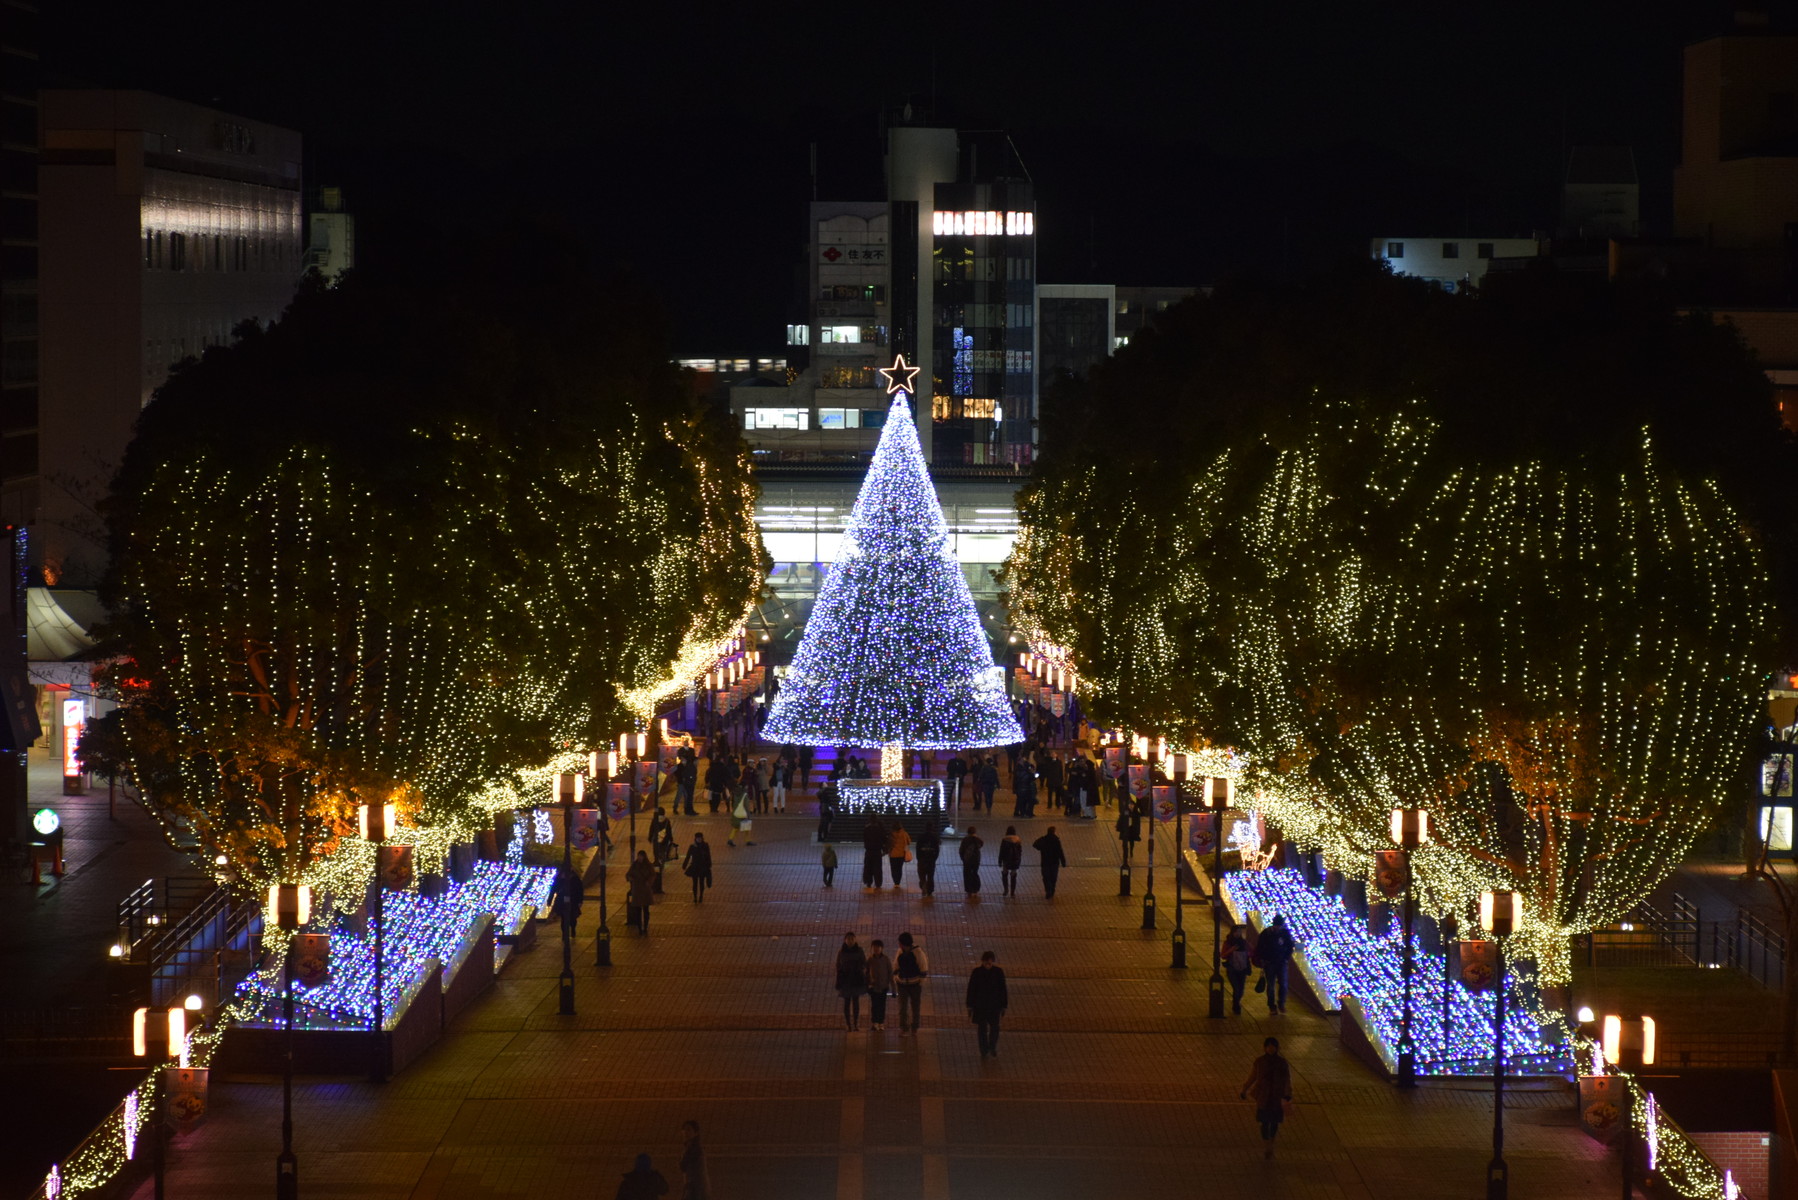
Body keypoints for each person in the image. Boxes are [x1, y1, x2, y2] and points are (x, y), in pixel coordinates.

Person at [1240, 1037, 1294, 1158]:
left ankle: (1271, 1144)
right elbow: (1252, 1077)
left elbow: (1287, 1080)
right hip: (1263, 1097)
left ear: (1277, 1048)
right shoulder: (1259, 1062)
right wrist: (1244, 1089)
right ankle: (1268, 1146)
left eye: (1273, 1046)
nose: (1270, 1048)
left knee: (1274, 1123)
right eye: (1268, 1046)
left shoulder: (1282, 1063)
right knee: (1264, 1123)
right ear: (1265, 1047)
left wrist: (1288, 1093)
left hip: (1277, 1096)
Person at [966, 950, 1008, 1059]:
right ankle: (984, 1050)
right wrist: (970, 1005)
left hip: (994, 1006)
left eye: (990, 963)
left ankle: (992, 1046)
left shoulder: (998, 972)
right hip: (981, 1006)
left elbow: (1003, 989)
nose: (988, 965)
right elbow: (971, 989)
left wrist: (1004, 1005)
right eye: (986, 963)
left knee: (995, 1028)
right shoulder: (977, 972)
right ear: (983, 961)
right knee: (982, 1029)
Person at [1254, 913, 1297, 1015]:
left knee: (1283, 984)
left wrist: (1286, 958)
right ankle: (1272, 1006)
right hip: (1269, 963)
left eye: (1280, 926)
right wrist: (1263, 959)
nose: (1278, 928)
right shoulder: (1266, 934)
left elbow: (1290, 946)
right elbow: (1259, 948)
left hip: (1281, 962)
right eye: (1277, 926)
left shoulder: (1285, 933)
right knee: (1271, 985)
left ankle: (1281, 1003)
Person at [894, 931, 927, 1035]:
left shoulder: (917, 952)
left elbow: (923, 967)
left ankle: (914, 1027)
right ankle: (904, 1027)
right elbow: (896, 965)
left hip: (915, 984)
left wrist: (920, 981)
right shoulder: (900, 951)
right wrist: (897, 978)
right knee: (902, 1008)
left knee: (915, 1007)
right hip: (902, 984)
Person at [835, 931, 868, 1031]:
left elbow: (864, 963)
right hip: (846, 979)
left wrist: (859, 968)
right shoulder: (841, 951)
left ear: (855, 940)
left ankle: (856, 1023)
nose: (850, 941)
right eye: (848, 939)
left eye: (852, 939)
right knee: (847, 1002)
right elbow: (838, 964)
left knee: (856, 1002)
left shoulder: (859, 950)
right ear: (845, 940)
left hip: (856, 979)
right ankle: (848, 1024)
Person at [1221, 923, 1254, 1014]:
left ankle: (1236, 1001)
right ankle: (1236, 1006)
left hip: (1242, 969)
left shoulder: (1244, 943)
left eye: (1240, 932)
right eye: (1236, 932)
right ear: (1232, 933)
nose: (1238, 934)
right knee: (1236, 988)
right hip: (1232, 969)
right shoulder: (1228, 943)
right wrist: (1231, 950)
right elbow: (1223, 955)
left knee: (1241, 989)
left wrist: (1247, 954)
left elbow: (1252, 952)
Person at [625, 850, 656, 936]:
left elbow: (653, 874)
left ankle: (645, 927)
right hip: (637, 890)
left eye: (641, 856)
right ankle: (639, 928)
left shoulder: (648, 865)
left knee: (646, 910)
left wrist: (649, 882)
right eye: (639, 856)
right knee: (638, 911)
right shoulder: (634, 865)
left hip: (645, 890)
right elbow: (628, 874)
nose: (640, 858)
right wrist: (630, 878)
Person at [1032, 825, 1069, 898]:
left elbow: (1035, 844)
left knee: (1046, 877)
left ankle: (1048, 890)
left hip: (1045, 861)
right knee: (1053, 877)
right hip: (1054, 862)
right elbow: (1060, 851)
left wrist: (1041, 848)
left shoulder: (1044, 839)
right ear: (1054, 832)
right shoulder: (1056, 840)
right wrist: (1063, 861)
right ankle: (1052, 889)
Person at [865, 938, 893, 1031]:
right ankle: (875, 1022)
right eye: (874, 947)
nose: (876, 949)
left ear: (882, 948)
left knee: (882, 1005)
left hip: (883, 987)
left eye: (878, 947)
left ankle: (881, 1022)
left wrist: (894, 989)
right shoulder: (870, 959)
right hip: (874, 987)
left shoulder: (886, 959)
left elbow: (890, 973)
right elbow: (866, 973)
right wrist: (867, 985)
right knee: (874, 1005)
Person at [679, 1120, 710, 1200]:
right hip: (693, 1187)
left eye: (689, 1129)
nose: (685, 1132)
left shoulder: (694, 1149)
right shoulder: (689, 1148)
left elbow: (683, 1166)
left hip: (695, 1188)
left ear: (695, 1133)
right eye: (684, 1130)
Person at [681, 832, 713, 903]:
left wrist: (709, 864)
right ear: (695, 838)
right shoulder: (692, 846)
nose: (699, 840)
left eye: (700, 838)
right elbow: (688, 856)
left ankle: (701, 896)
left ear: (702, 838)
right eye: (698, 838)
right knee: (695, 883)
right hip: (695, 867)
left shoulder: (705, 845)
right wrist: (684, 865)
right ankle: (695, 897)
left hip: (703, 866)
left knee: (701, 883)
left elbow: (708, 855)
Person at [862, 813, 888, 890]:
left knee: (868, 867)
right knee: (877, 868)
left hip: (869, 850)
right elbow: (884, 839)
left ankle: (869, 882)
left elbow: (865, 839)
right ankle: (878, 883)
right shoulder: (879, 829)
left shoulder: (866, 829)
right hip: (877, 851)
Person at [915, 825, 941, 897]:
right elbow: (937, 849)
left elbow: (917, 848)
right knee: (930, 875)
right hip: (931, 859)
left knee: (922, 874)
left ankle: (923, 885)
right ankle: (930, 890)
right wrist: (934, 858)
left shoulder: (921, 837)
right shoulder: (934, 837)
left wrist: (918, 858)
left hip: (922, 858)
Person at [997, 826, 1023, 897]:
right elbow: (1020, 851)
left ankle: (1006, 890)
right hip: (1015, 860)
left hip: (1006, 860)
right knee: (1013, 875)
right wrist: (1019, 859)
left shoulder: (1005, 840)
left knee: (1005, 873)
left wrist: (1000, 860)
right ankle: (1012, 892)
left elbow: (1001, 851)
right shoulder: (1018, 840)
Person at [959, 825, 984, 895]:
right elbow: (981, 844)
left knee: (967, 874)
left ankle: (968, 889)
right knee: (975, 873)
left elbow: (961, 850)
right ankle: (976, 888)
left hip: (967, 859)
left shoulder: (965, 840)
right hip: (976, 859)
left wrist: (962, 858)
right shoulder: (978, 840)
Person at [887, 820, 912, 888]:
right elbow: (909, 841)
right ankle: (898, 882)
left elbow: (888, 843)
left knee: (893, 868)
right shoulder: (904, 833)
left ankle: (895, 881)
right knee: (899, 868)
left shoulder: (891, 834)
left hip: (893, 854)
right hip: (901, 854)